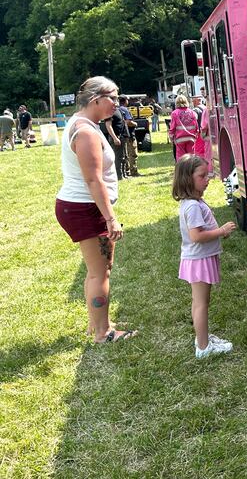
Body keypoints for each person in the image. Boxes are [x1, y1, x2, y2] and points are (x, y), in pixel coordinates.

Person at [55, 76, 136, 343]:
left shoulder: (84, 123)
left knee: (97, 270)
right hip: (85, 209)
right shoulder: (87, 131)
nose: (116, 102)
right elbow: (93, 180)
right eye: (112, 97)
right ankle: (103, 333)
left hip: (81, 207)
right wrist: (111, 219)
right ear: (95, 99)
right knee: (101, 271)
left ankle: (97, 323)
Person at [172, 154, 236, 358]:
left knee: (200, 302)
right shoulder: (192, 206)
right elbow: (197, 236)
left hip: (200, 258)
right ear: (187, 179)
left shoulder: (194, 202)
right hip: (199, 260)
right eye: (202, 176)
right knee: (201, 303)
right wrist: (221, 231)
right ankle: (203, 347)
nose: (207, 179)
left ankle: (203, 337)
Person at [168, 95, 199, 160]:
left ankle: (182, 169)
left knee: (181, 158)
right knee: (191, 157)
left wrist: (171, 138)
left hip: (180, 139)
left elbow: (172, 127)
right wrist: (196, 135)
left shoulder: (174, 113)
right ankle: (191, 169)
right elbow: (196, 126)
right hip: (191, 138)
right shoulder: (192, 113)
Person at [103, 105, 128, 179]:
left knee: (124, 157)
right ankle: (119, 175)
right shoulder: (109, 112)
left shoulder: (119, 110)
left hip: (122, 136)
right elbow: (108, 125)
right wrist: (115, 138)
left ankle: (124, 174)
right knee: (118, 158)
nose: (115, 101)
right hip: (116, 137)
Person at [117, 96, 139, 176]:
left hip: (124, 134)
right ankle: (133, 171)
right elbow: (128, 121)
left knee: (125, 154)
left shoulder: (118, 109)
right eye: (127, 100)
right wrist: (135, 124)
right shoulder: (125, 109)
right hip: (130, 135)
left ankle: (127, 171)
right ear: (125, 101)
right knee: (133, 154)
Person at [191, 96, 210, 165]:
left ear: (197, 101)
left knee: (199, 152)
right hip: (208, 133)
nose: (193, 102)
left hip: (200, 133)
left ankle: (200, 165)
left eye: (193, 101)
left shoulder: (195, 110)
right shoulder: (205, 108)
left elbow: (193, 120)